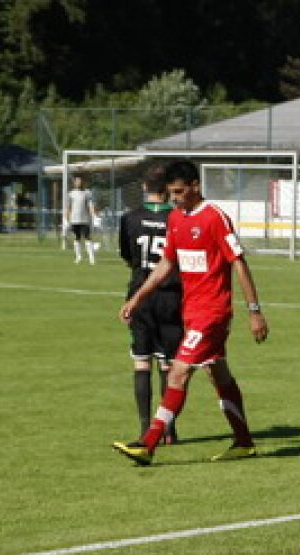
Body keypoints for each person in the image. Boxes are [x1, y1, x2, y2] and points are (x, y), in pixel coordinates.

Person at [112, 159, 268, 466]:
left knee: (179, 371)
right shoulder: (176, 218)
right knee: (217, 373)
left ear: (196, 186)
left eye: (180, 192)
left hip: (213, 313)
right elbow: (166, 264)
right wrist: (138, 297)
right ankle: (244, 441)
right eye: (171, 193)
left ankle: (149, 443)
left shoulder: (214, 217)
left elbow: (238, 262)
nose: (175, 199)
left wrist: (254, 311)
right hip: (190, 311)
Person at [117, 167, 182, 443]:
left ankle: (146, 428)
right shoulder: (177, 218)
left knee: (141, 362)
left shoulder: (130, 218)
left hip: (140, 295)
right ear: (167, 188)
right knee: (168, 365)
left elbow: (127, 255)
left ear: (145, 187)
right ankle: (167, 428)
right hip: (171, 295)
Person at [65, 174, 99, 264]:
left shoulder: (87, 193)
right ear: (74, 183)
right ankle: (78, 257)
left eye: (80, 181)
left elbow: (90, 205)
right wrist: (66, 220)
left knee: (88, 237)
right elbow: (68, 207)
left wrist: (95, 216)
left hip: (85, 220)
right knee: (77, 238)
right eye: (77, 181)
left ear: (83, 182)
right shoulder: (71, 194)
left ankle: (92, 258)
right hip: (74, 220)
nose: (78, 183)